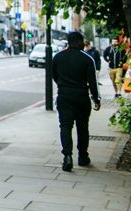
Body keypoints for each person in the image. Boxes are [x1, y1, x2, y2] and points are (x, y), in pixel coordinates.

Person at [52, 30, 101, 171]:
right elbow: (93, 82)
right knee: (82, 127)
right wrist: (96, 99)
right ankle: (83, 156)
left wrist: (63, 85)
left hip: (64, 96)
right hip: (81, 97)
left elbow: (54, 76)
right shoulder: (87, 59)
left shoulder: (58, 57)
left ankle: (67, 156)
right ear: (79, 42)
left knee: (65, 127)